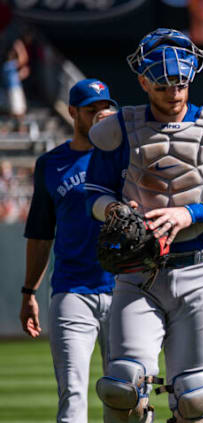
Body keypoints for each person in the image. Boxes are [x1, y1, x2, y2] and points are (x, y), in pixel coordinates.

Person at [84, 28, 203, 422]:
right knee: (121, 385)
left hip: (200, 268)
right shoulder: (120, 130)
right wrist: (114, 210)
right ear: (144, 81)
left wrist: (191, 213)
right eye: (164, 83)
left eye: (181, 82)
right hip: (138, 271)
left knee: (196, 394)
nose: (174, 92)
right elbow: (92, 194)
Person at [19, 78, 118, 423]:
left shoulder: (126, 158)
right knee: (73, 394)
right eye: (92, 110)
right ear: (73, 112)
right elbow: (41, 234)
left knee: (129, 395)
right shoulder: (51, 164)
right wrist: (29, 291)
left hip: (126, 289)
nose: (100, 115)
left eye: (105, 108)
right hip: (72, 289)